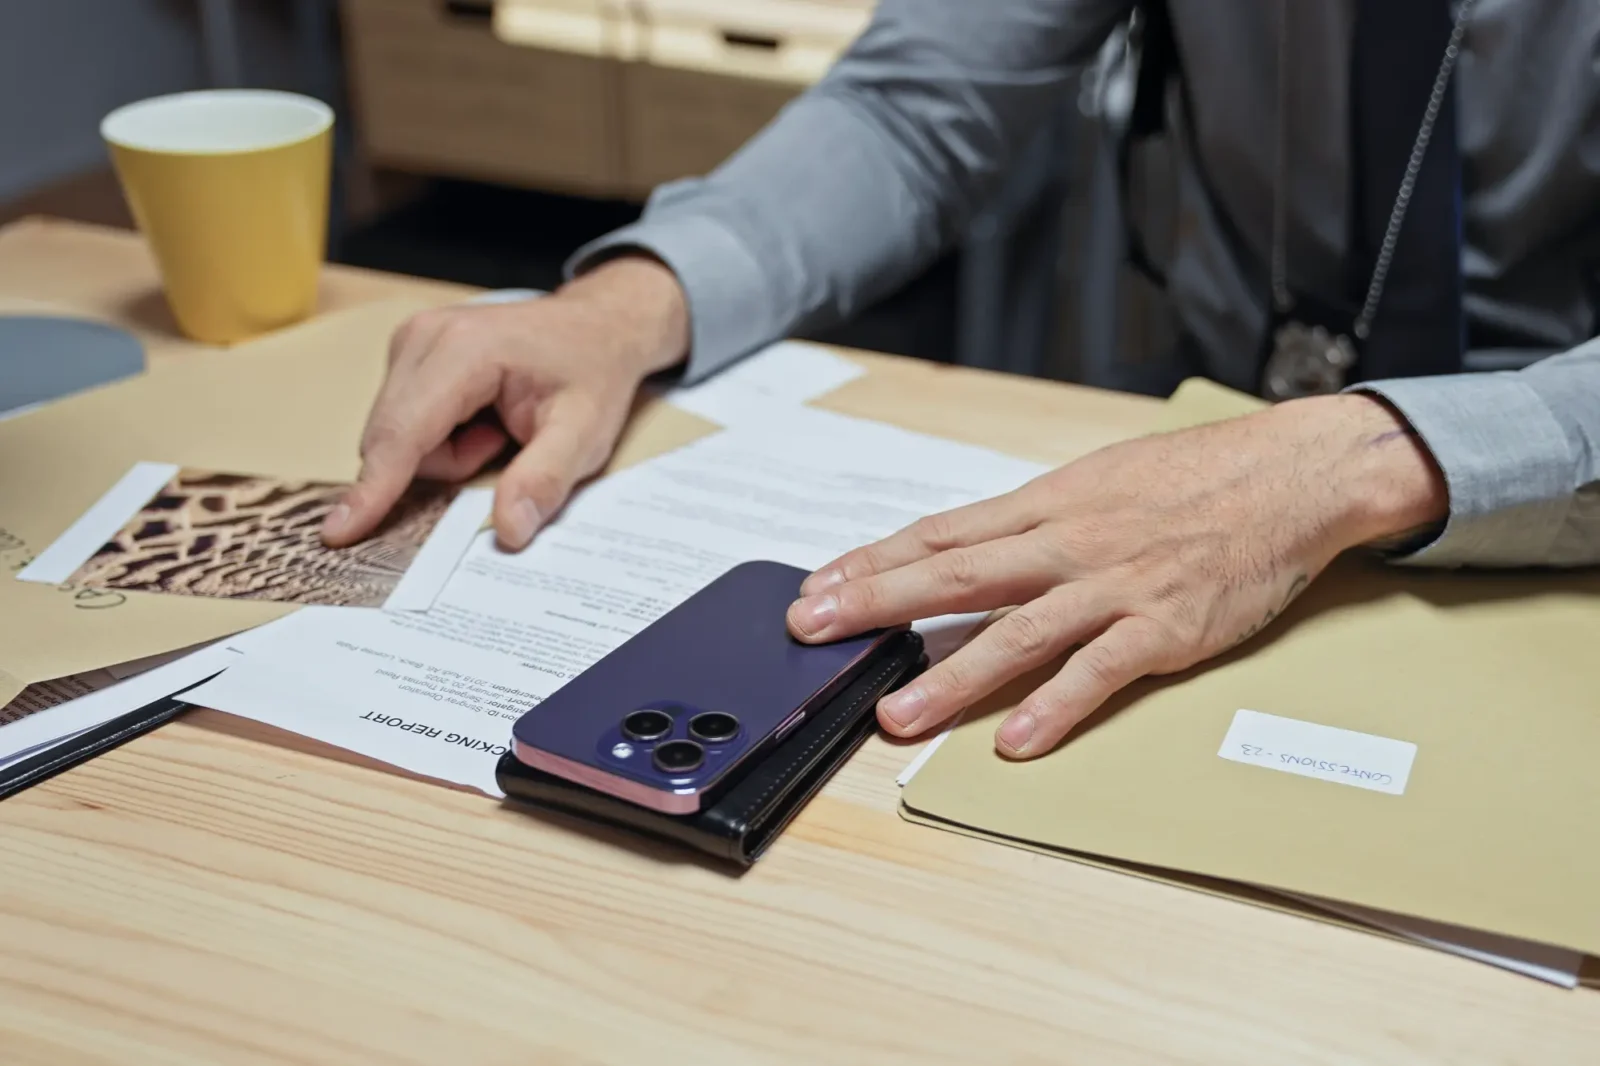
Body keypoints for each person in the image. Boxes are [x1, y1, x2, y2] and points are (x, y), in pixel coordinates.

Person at [322, 0, 1600, 759]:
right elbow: (917, 107)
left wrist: (1365, 455)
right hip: (1198, 438)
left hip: (1550, 502)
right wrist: (628, 301)